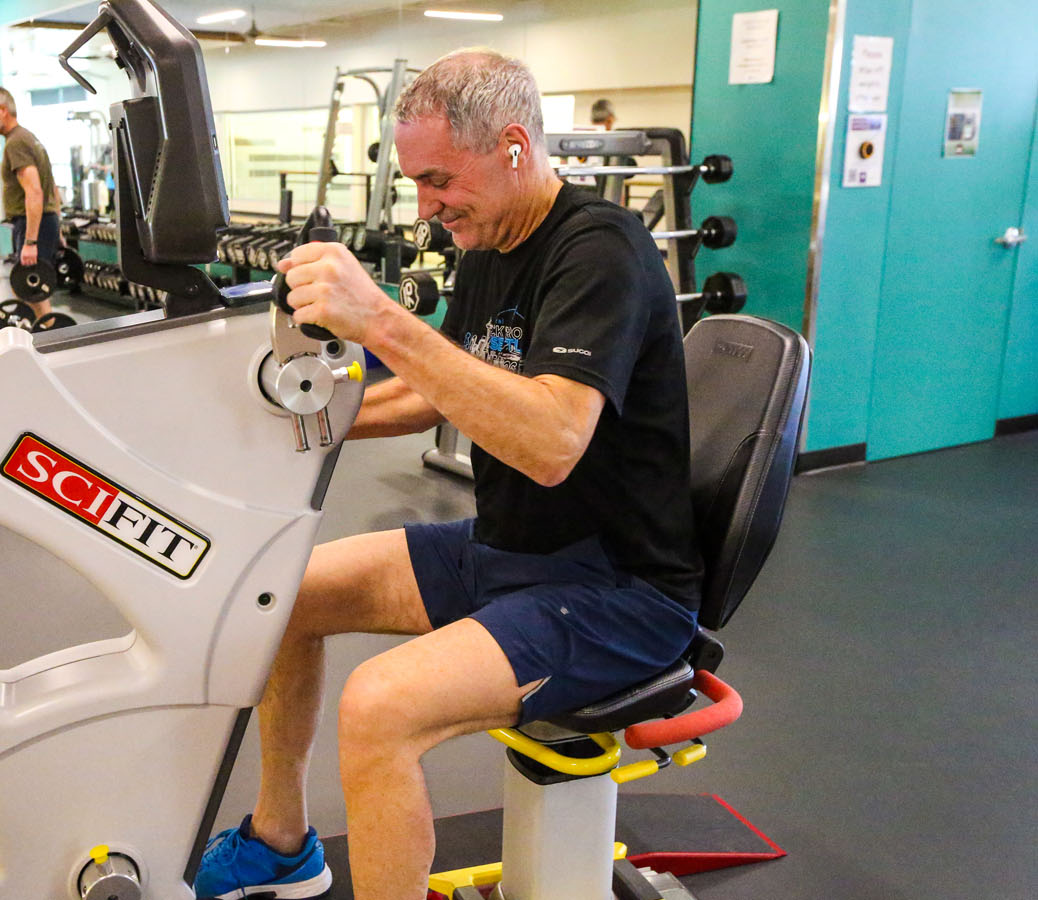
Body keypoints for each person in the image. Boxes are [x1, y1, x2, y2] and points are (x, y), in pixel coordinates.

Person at [192, 49, 703, 900]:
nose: (427, 209)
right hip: (512, 551)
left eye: (438, 181)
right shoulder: (488, 245)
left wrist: (382, 321)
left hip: (620, 589)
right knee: (280, 595)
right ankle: (282, 845)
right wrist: (292, 424)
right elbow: (442, 393)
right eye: (415, 185)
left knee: (379, 707)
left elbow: (550, 442)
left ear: (511, 146)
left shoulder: (599, 251)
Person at [0, 86, 61, 319]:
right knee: (27, 289)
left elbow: (35, 191)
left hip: (33, 223)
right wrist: (57, 223)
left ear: (2, 110)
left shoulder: (16, 142)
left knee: (32, 292)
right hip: (43, 221)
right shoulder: (28, 137)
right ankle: (41, 340)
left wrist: (31, 241)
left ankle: (51, 341)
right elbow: (51, 188)